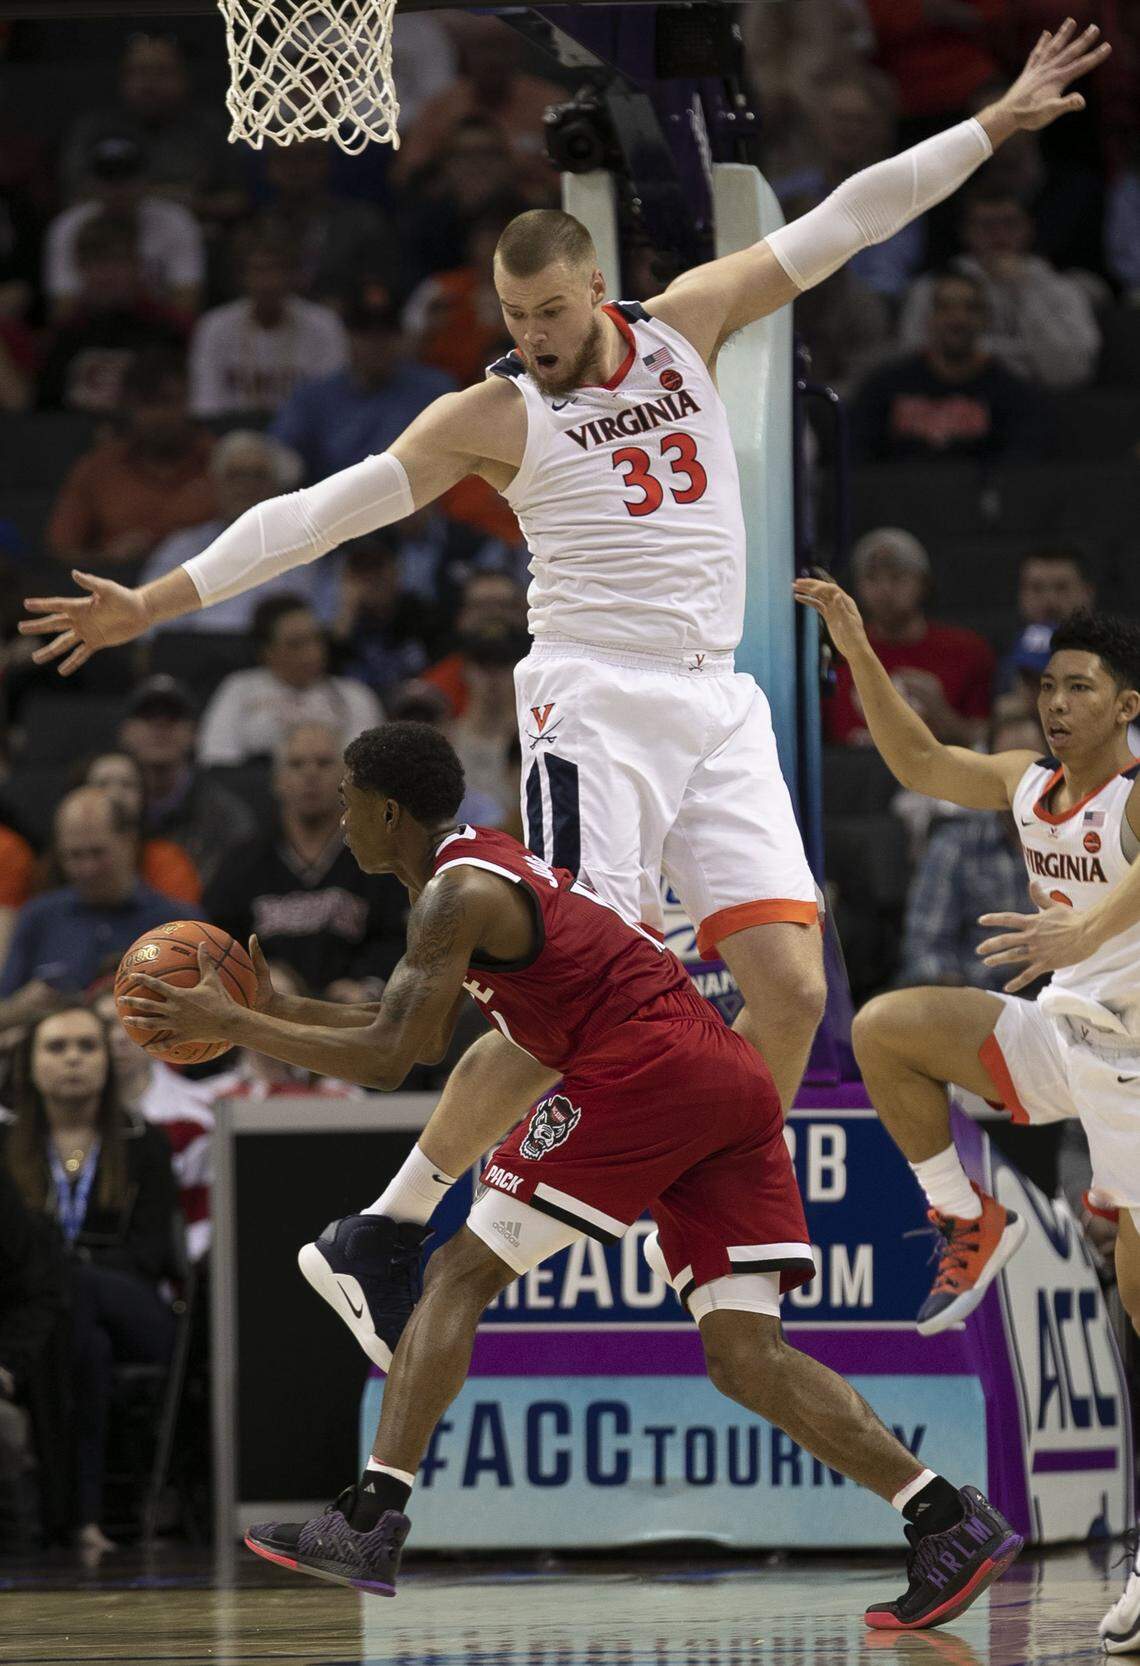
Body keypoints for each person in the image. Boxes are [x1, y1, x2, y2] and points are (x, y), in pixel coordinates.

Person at [21, 20, 1112, 1226]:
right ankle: (401, 1216)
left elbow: (846, 218)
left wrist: (991, 123)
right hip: (597, 696)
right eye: (510, 312)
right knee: (572, 987)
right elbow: (317, 515)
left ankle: (722, 1206)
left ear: (595, 287)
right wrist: (158, 601)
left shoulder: (688, 322)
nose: (529, 336)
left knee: (796, 991)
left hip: (719, 696)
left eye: (546, 311)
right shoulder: (487, 413)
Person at [120, 720, 1022, 1627]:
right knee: (746, 1355)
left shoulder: (454, 893)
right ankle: (945, 1520)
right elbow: (393, 1023)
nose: (338, 818)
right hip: (720, 1077)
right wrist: (277, 1007)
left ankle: (369, 1518)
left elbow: (400, 1057)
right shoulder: (468, 873)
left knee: (458, 1272)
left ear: (387, 809)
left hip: (643, 1075)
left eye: (349, 801)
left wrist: (239, 1030)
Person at [794, 585, 1140, 1653]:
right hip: (1064, 1035)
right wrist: (856, 645)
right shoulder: (1026, 783)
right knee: (891, 1027)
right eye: (1047, 685)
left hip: (1133, 1053)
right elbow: (917, 763)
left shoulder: (1133, 793)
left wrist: (1086, 930)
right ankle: (963, 1215)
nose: (1057, 703)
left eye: (1080, 687)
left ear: (1128, 704)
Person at [2, 1004, 178, 1552]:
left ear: (109, 1060)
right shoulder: (4, 1146)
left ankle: (64, 1513)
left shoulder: (144, 1141)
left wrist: (66, 1272)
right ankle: (85, 1519)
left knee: (70, 1292)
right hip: (52, 1321)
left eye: (87, 1046)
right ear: (28, 1065)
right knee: (85, 1344)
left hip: (134, 1306)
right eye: (56, 1048)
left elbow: (152, 1252)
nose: (73, 1059)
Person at [204, 719, 407, 998]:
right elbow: (219, 940)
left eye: (323, 763)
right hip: (267, 1013)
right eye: (297, 764)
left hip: (358, 1014)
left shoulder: (380, 858)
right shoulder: (243, 862)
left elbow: (398, 937)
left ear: (348, 780)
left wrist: (368, 982)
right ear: (277, 780)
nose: (310, 774)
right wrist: (254, 976)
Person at [0, 788, 183, 1029]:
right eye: (74, 855)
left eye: (97, 853)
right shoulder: (38, 917)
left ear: (129, 842)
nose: (87, 869)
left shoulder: (176, 924)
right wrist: (21, 1009)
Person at [897, 185, 1101, 387]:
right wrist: (1022, 355)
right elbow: (914, 361)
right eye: (986, 225)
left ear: (1029, 228)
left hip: (1035, 401)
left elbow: (1073, 372)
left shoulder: (1063, 289)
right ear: (966, 232)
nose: (998, 235)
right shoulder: (931, 287)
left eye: (1009, 224)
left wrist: (1024, 290)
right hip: (950, 401)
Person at [897, 710, 1044, 988]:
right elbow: (925, 950)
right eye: (1005, 767)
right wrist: (962, 1004)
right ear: (986, 774)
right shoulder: (956, 845)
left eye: (1032, 767)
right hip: (980, 999)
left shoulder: (1082, 841)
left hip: (1067, 999)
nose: (1019, 780)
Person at [850, 268, 1046, 462]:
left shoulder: (1014, 393)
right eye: (945, 307)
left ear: (986, 319)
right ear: (930, 317)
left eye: (970, 308)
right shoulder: (884, 386)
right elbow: (857, 460)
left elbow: (1022, 471)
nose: (958, 318)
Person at [47, 348, 216, 571]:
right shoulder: (99, 468)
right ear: (129, 408)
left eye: (168, 401)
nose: (159, 416)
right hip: (116, 590)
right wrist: (106, 559)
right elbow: (60, 552)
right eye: (147, 404)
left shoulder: (222, 462)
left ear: (188, 402)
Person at [825, 528, 995, 748]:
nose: (885, 589)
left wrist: (941, 713)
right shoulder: (837, 653)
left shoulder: (968, 651)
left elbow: (984, 742)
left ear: (924, 583)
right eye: (872, 578)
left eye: (897, 577)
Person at [270, 284, 454, 484]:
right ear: (348, 336)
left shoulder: (435, 391)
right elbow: (278, 457)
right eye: (365, 332)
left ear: (401, 336)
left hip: (416, 504)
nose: (376, 343)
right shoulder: (313, 398)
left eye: (386, 332)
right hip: (334, 505)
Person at [58, 33, 244, 228]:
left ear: (185, 77)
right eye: (139, 72)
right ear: (122, 78)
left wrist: (193, 205)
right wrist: (166, 197)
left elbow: (238, 201)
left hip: (197, 236)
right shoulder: (94, 129)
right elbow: (72, 196)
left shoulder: (210, 129)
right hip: (109, 241)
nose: (149, 84)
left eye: (162, 72)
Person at [138, 431, 311, 635]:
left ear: (276, 486)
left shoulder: (305, 548)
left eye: (257, 475)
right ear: (216, 484)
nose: (245, 486)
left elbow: (317, 628)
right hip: (196, 658)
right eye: (235, 475)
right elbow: (151, 629)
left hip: (274, 662)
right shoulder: (180, 549)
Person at [92, 988, 215, 1263]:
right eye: (106, 1025)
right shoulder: (68, 1114)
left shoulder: (201, 1116)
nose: (116, 1038)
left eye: (132, 1022)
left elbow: (205, 1220)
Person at [196, 596, 383, 767]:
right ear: (266, 652)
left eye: (316, 639)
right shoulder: (239, 688)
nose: (312, 653)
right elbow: (216, 758)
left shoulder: (354, 695)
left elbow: (368, 765)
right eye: (296, 644)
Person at [43, 134, 205, 324]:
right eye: (108, 178)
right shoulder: (68, 226)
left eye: (126, 178)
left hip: (157, 331)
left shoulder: (176, 221)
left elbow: (186, 306)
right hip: (91, 329)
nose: (118, 189)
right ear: (90, 183)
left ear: (145, 180)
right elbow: (63, 310)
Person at [36, 214, 187, 416]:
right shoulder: (64, 337)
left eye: (116, 262)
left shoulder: (169, 331)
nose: (106, 275)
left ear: (137, 265)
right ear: (80, 269)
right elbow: (46, 412)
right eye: (95, 263)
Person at [118, 673, 257, 890]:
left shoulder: (226, 817)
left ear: (194, 733)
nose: (160, 724)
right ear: (125, 732)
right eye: (147, 715)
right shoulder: (108, 811)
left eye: (173, 716)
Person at [189, 234, 348, 420]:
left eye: (277, 270)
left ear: (294, 275)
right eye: (258, 270)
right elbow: (207, 407)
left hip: (305, 437)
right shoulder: (214, 327)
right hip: (233, 435)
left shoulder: (324, 326)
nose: (268, 282)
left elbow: (332, 405)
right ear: (242, 276)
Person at [80, 751, 201, 904]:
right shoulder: (57, 859)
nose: (115, 794)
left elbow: (182, 922)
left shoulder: (167, 861)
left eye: (127, 784)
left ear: (143, 796)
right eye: (102, 784)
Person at [997, 546, 1094, 694]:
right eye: (1036, 588)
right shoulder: (1006, 656)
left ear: (1087, 592)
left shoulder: (1117, 657)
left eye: (1062, 588)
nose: (1050, 601)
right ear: (1021, 595)